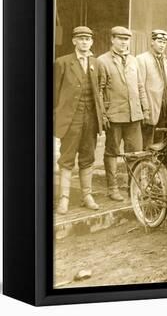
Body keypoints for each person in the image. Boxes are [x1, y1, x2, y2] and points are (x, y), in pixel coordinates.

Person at [54, 26, 104, 214]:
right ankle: (64, 199)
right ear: (74, 41)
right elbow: (53, 95)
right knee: (66, 159)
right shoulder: (62, 63)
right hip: (70, 119)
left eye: (87, 39)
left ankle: (87, 196)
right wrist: (57, 118)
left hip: (90, 119)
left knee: (88, 157)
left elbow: (98, 91)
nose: (84, 42)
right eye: (81, 38)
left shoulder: (96, 63)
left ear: (91, 42)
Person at [98, 26, 149, 202]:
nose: (123, 42)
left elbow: (140, 86)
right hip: (114, 115)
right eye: (119, 38)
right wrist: (103, 114)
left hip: (134, 115)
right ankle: (112, 188)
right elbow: (99, 90)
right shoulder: (102, 61)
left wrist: (145, 109)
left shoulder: (134, 61)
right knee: (112, 151)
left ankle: (133, 187)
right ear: (112, 39)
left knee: (136, 152)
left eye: (126, 39)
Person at [136, 30, 167, 149]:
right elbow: (139, 85)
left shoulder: (165, 61)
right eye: (159, 41)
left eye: (164, 42)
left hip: (164, 110)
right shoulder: (142, 59)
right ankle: (145, 167)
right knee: (147, 145)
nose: (162, 45)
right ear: (152, 42)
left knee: (160, 145)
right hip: (150, 109)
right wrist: (145, 109)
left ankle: (156, 167)